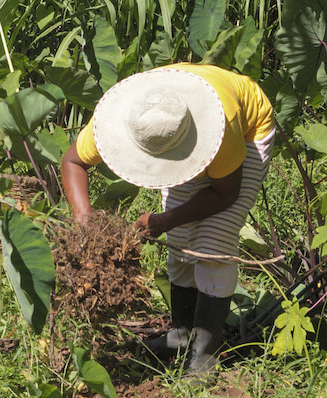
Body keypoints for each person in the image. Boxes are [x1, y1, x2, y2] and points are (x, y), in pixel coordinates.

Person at [61, 62, 275, 378]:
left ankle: (205, 355)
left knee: (212, 244)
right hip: (184, 131)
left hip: (246, 131)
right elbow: (72, 160)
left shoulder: (222, 122)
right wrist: (86, 226)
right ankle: (180, 335)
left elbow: (224, 194)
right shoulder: (127, 116)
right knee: (181, 242)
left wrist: (164, 220)